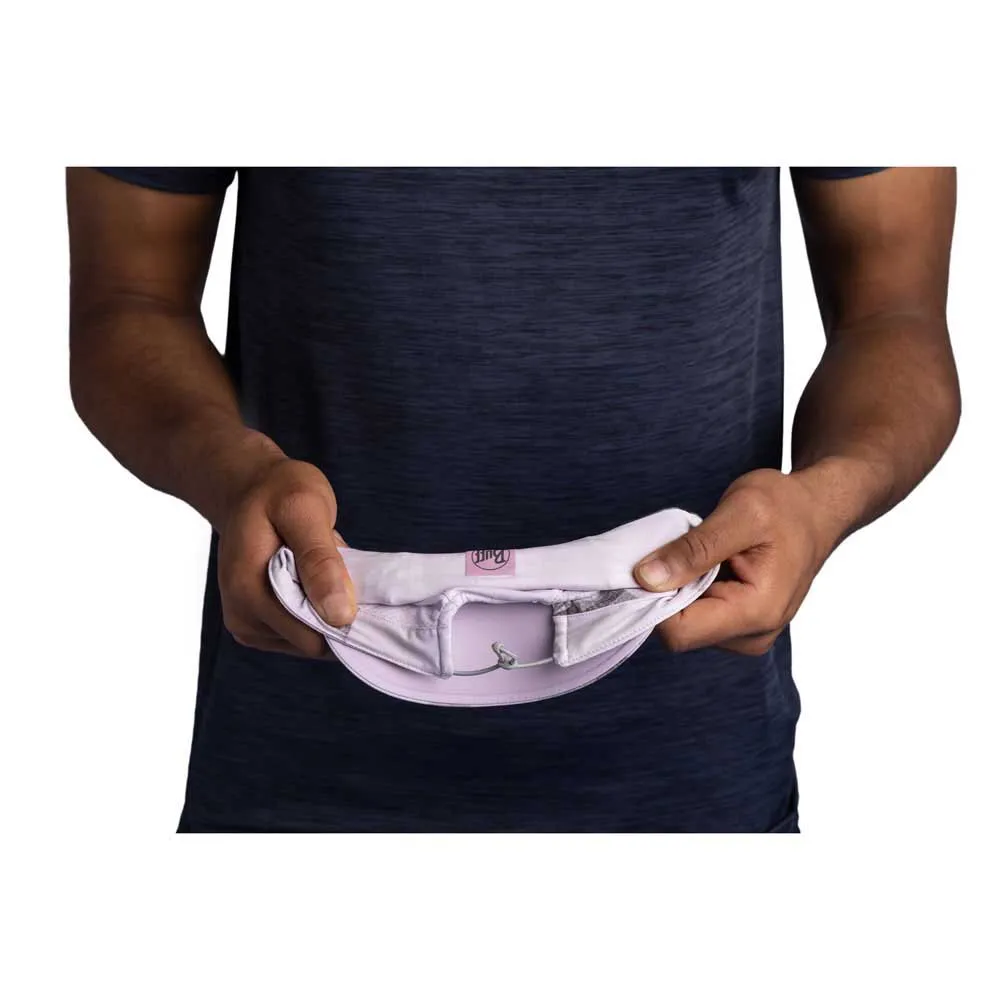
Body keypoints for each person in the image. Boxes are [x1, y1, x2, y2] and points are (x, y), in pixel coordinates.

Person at [66, 167, 960, 833]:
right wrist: (229, 472)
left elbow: (895, 312)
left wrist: (825, 499)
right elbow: (129, 299)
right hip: (299, 771)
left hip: (690, 784)